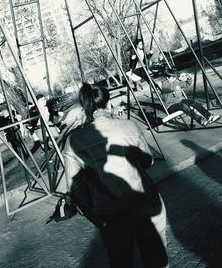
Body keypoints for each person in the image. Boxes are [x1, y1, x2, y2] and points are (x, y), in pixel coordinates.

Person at [63, 83, 168, 267]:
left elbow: (75, 190)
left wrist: (97, 216)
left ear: (85, 107)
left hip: (110, 215)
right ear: (108, 103)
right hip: (146, 204)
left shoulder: (73, 142)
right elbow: (148, 161)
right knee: (157, 259)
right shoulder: (129, 126)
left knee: (122, 261)